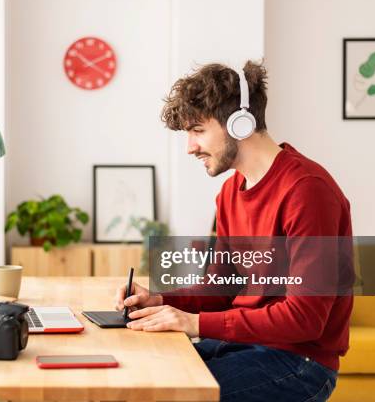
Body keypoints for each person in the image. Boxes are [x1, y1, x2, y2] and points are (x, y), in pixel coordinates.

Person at [115, 61, 352, 402]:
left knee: (167, 394)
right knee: (140, 372)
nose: (190, 147)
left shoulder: (307, 190)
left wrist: (194, 323)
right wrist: (161, 299)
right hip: (243, 346)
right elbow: (221, 289)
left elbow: (306, 319)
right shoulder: (230, 193)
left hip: (300, 363)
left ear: (240, 124)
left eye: (197, 130)